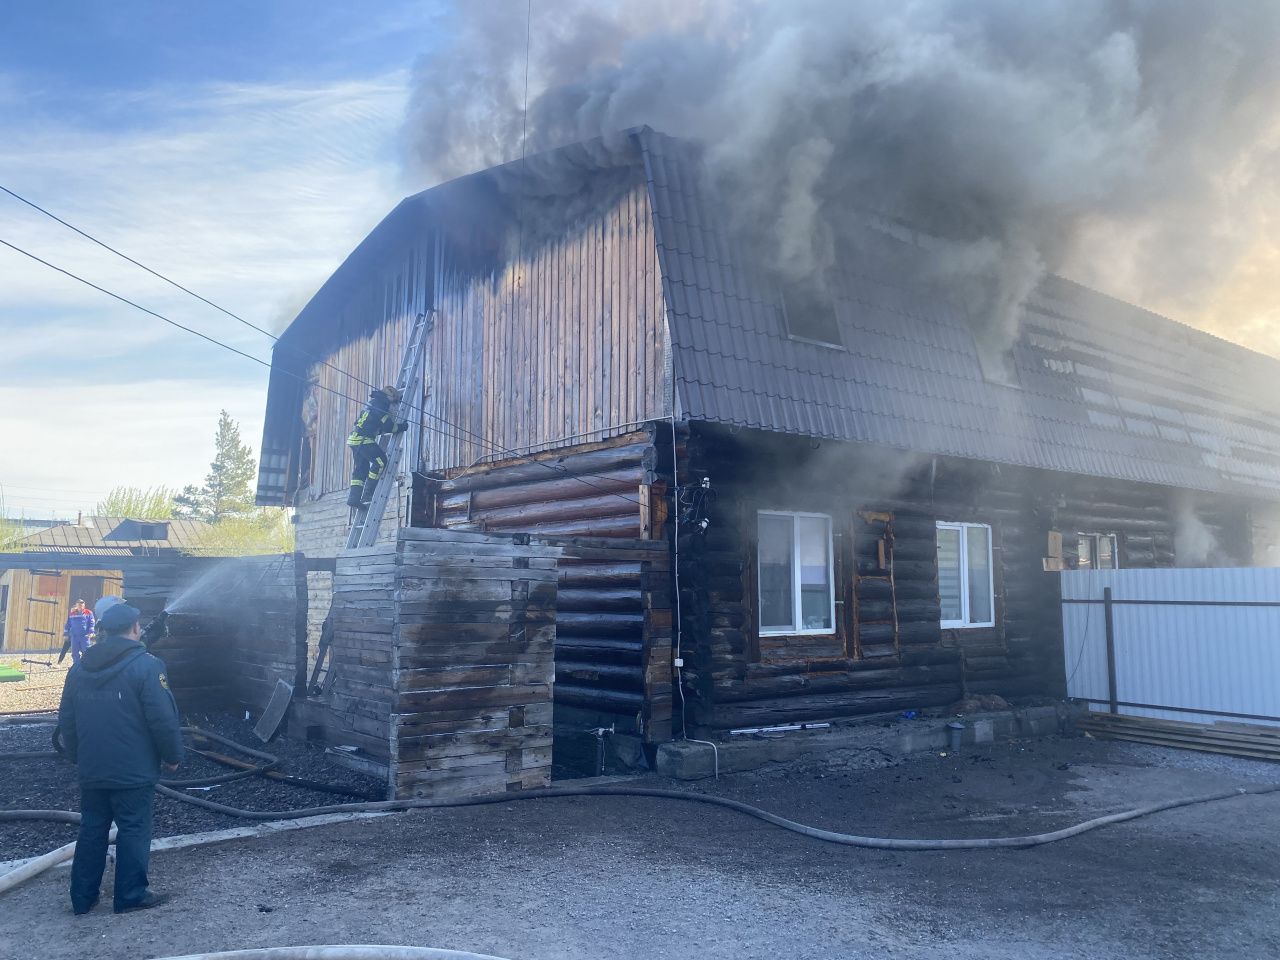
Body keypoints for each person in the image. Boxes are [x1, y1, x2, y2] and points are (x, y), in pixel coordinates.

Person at [57, 599, 183, 915]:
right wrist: (172, 755)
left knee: (92, 829)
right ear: (134, 629)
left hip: (92, 769)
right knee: (133, 828)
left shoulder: (78, 668)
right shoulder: (147, 666)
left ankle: (82, 898)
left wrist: (76, 756)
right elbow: (162, 719)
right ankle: (130, 895)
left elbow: (67, 719)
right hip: (134, 771)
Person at [346, 384, 408, 507]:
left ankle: (354, 498)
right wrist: (402, 427)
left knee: (361, 470)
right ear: (389, 396)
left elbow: (373, 424)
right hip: (363, 440)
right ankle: (369, 492)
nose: (394, 403)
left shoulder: (373, 402)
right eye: (394, 400)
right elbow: (389, 427)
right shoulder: (381, 405)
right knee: (380, 462)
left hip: (354, 439)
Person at [57, 599, 96, 666]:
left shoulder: (89, 612)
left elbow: (92, 623)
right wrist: (66, 634)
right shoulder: (72, 614)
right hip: (74, 636)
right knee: (74, 652)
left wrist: (91, 632)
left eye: (82, 604)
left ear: (84, 605)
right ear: (76, 605)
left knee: (86, 651)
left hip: (85, 636)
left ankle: (88, 665)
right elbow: (68, 624)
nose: (80, 605)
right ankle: (76, 666)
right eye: (79, 604)